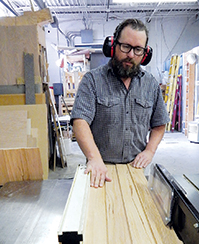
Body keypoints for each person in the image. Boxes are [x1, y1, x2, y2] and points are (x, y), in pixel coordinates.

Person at [71, 18, 169, 188]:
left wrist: (149, 151)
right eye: (126, 47)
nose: (131, 55)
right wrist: (94, 159)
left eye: (138, 49)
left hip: (135, 169)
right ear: (112, 45)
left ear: (145, 54)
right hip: (100, 169)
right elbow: (80, 121)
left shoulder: (151, 84)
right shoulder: (92, 81)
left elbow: (159, 123)